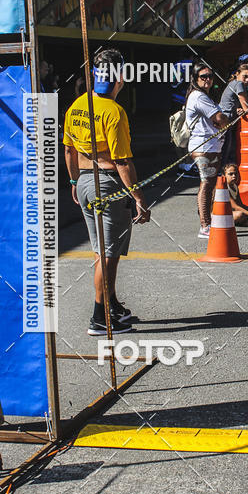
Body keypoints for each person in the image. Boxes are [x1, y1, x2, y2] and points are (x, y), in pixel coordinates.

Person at [63, 48, 150, 336]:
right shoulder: (114, 112)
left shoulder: (76, 105)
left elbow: (69, 149)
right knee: (108, 254)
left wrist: (75, 182)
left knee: (103, 250)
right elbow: (122, 161)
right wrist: (138, 197)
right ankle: (99, 317)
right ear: (120, 78)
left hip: (87, 181)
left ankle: (111, 306)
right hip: (108, 183)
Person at [185, 60, 229, 239]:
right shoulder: (199, 97)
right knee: (207, 185)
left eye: (210, 76)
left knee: (209, 184)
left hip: (210, 146)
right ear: (195, 78)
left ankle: (207, 222)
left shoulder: (204, 96)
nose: (208, 80)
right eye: (203, 77)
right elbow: (219, 118)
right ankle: (205, 226)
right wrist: (224, 120)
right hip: (205, 147)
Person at [219, 55, 248, 165]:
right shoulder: (238, 84)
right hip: (227, 120)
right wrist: (247, 108)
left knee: (225, 152)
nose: (247, 80)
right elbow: (247, 108)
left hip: (224, 119)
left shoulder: (232, 84)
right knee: (226, 153)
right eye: (245, 76)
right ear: (237, 74)